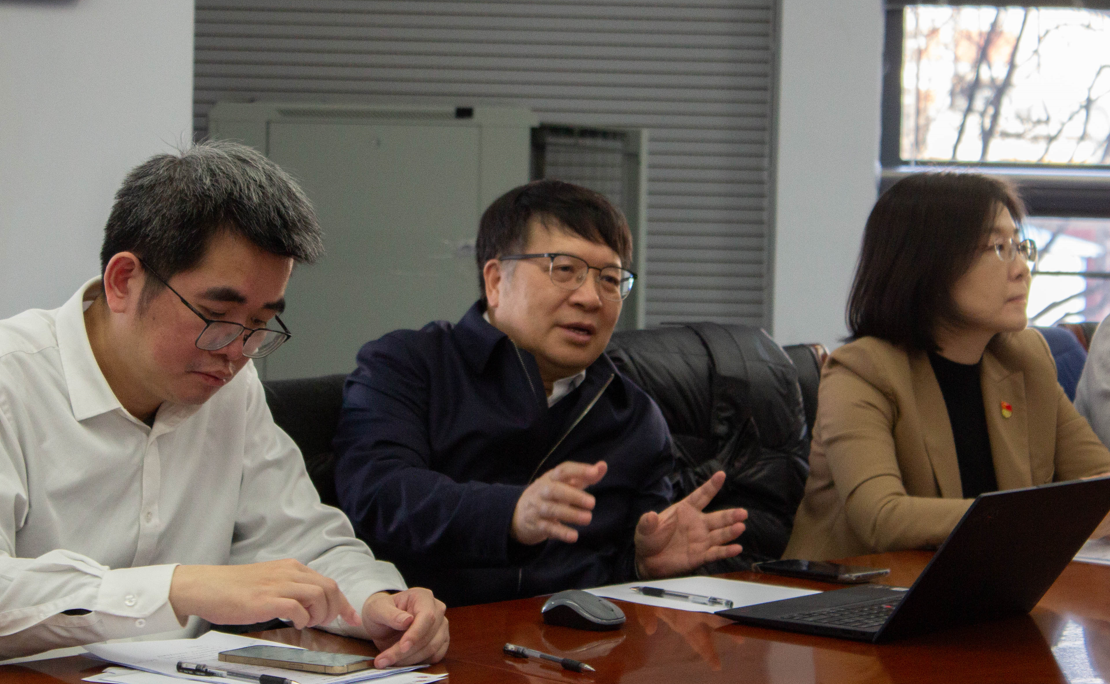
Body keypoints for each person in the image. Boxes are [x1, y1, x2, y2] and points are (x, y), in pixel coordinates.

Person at [0, 141, 448, 663]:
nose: (236, 352)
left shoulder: (232, 385)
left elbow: (299, 540)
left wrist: (375, 604)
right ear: (123, 281)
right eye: (216, 315)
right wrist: (177, 588)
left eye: (260, 323)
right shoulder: (13, 381)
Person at [333, 179, 749, 606]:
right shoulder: (407, 364)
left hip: (578, 639)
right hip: (429, 626)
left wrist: (643, 566)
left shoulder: (634, 416)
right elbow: (377, 491)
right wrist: (510, 514)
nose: (591, 298)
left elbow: (619, 576)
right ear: (496, 281)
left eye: (610, 279)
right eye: (564, 269)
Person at [784, 172, 1110, 561]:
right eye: (999, 248)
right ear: (929, 264)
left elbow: (1099, 485)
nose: (1022, 268)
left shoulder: (1026, 359)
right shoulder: (862, 371)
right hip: (850, 591)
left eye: (1021, 247)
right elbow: (883, 517)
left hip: (982, 583)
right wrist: (1039, 518)